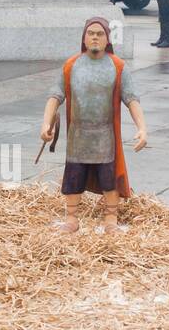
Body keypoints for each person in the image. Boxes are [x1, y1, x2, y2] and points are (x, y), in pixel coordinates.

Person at [40, 16, 147, 234]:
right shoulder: (71, 65)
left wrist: (142, 128)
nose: (95, 37)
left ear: (108, 38)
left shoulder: (118, 67)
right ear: (84, 37)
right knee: (73, 177)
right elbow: (55, 95)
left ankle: (111, 218)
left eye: (100, 34)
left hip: (104, 136)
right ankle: (71, 217)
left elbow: (131, 98)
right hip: (78, 136)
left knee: (109, 178)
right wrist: (45, 124)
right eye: (91, 33)